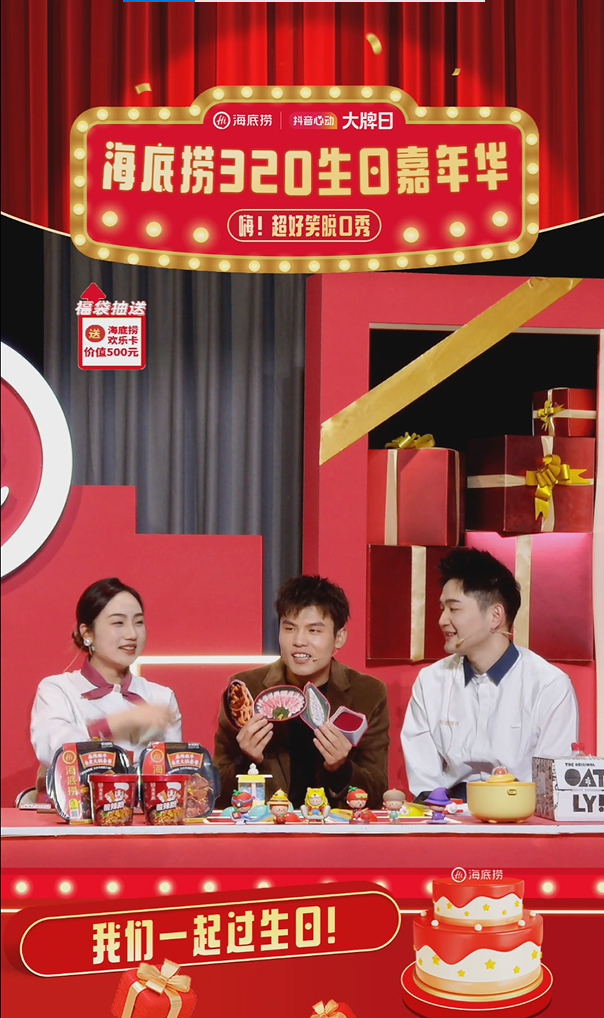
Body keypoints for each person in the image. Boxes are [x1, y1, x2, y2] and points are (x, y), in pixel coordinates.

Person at [401, 549, 578, 801]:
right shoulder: (430, 681)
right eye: (442, 609)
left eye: (454, 609)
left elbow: (550, 785)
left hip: (521, 813)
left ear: (495, 616)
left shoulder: (549, 684)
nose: (442, 620)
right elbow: (425, 782)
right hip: (448, 814)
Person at [214, 575, 390, 809]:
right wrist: (246, 760)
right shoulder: (246, 690)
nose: (299, 641)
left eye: (314, 631)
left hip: (334, 827)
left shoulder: (367, 694)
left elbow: (377, 793)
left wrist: (341, 769)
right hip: (268, 826)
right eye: (289, 628)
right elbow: (215, 794)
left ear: (339, 637)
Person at [31, 578, 181, 769]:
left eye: (138, 622)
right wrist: (115, 725)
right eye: (118, 623)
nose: (132, 634)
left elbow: (172, 773)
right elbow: (55, 751)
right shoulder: (58, 690)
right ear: (87, 633)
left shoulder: (161, 697)